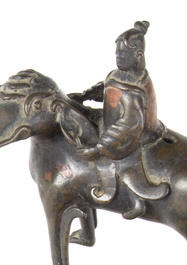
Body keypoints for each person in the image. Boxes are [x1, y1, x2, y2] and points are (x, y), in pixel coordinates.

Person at [73, 21, 169, 219]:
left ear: (138, 56)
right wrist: (85, 96)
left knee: (123, 161)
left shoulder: (136, 87)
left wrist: (100, 148)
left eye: (124, 54)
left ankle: (137, 199)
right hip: (112, 123)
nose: (119, 57)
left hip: (136, 135)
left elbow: (129, 124)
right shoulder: (118, 75)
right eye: (117, 53)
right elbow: (109, 89)